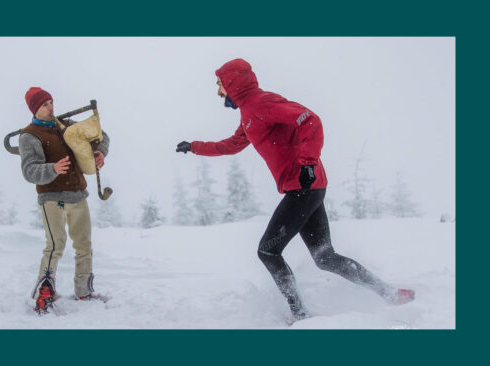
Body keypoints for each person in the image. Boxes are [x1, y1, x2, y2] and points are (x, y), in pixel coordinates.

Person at [176, 59, 414, 321]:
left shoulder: (262, 103)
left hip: (303, 185)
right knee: (324, 256)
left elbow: (310, 120)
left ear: (233, 83)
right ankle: (390, 293)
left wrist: (308, 163)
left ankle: (300, 315)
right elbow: (232, 144)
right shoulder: (249, 114)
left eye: (220, 85)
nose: (218, 92)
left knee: (268, 251)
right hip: (308, 187)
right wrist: (195, 147)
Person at [19, 87, 109, 314]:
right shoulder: (29, 135)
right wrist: (53, 168)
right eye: (45, 105)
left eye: (51, 102)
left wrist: (100, 152)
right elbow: (29, 171)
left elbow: (101, 134)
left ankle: (83, 291)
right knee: (55, 245)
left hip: (78, 194)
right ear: (35, 109)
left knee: (84, 245)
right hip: (51, 198)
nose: (51, 107)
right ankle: (44, 294)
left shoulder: (66, 125)